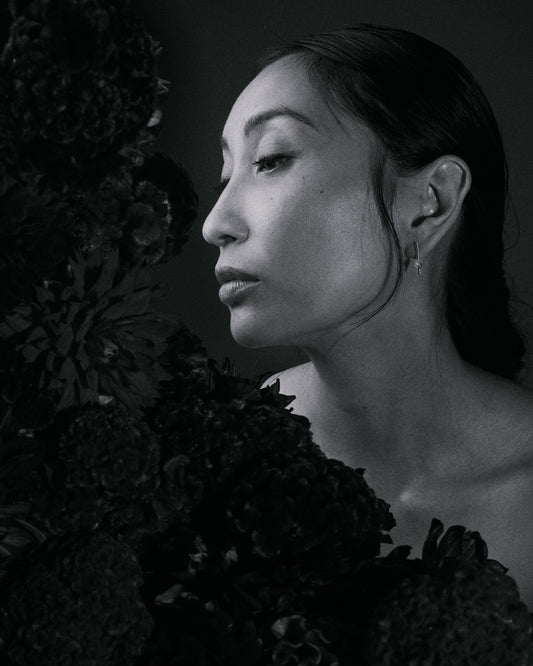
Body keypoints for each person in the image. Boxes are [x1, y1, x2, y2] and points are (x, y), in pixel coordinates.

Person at [201, 25, 533, 604]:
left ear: (429, 202)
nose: (214, 224)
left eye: (271, 160)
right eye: (226, 176)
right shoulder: (208, 465)